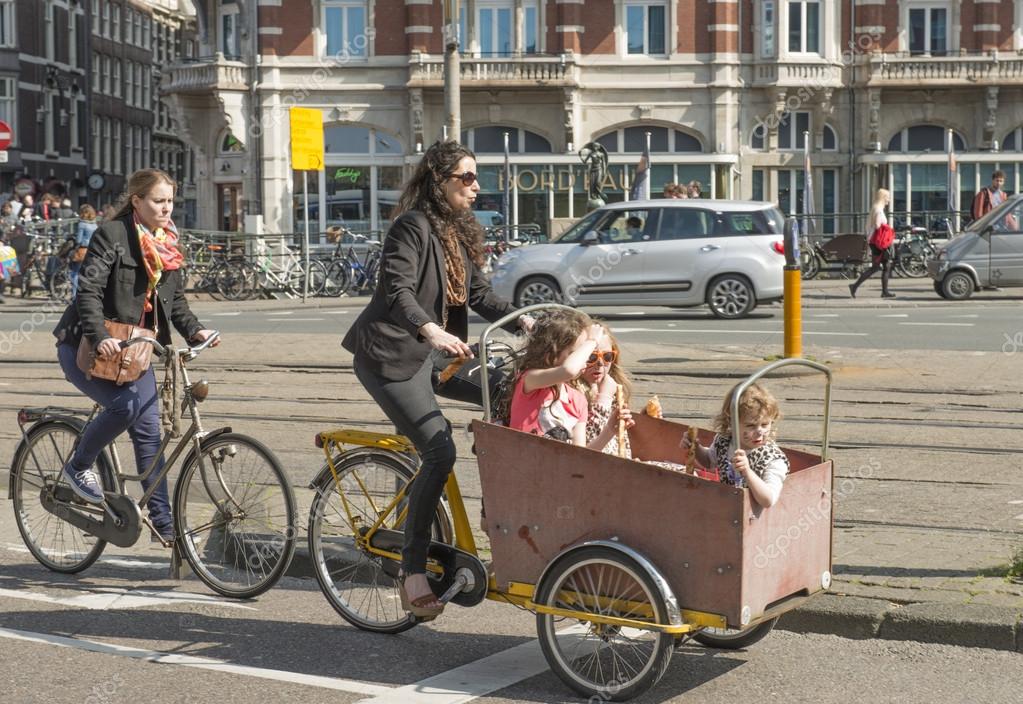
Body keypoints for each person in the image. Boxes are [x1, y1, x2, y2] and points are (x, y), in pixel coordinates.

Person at [342, 140, 532, 618]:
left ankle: (495, 521)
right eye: (466, 177)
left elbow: (480, 295)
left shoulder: (455, 232)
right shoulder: (411, 226)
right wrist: (431, 330)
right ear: (439, 181)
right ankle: (412, 570)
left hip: (439, 354)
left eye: (476, 176)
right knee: (439, 450)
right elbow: (397, 290)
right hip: (393, 357)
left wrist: (527, 320)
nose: (476, 185)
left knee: (509, 394)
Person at [52, 169, 219, 542]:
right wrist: (99, 337)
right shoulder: (112, 235)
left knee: (148, 435)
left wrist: (196, 330)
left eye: (170, 201)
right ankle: (78, 466)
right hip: (85, 348)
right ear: (137, 201)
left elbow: (174, 301)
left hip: (135, 353)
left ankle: (165, 527)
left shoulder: (167, 242)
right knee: (125, 408)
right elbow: (88, 291)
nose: (166, 208)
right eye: (158, 201)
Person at [508, 310, 611, 447]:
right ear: (550, 354)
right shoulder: (530, 380)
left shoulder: (578, 400)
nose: (584, 359)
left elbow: (579, 454)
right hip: (522, 458)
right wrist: (592, 341)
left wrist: (610, 430)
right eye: (577, 354)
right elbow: (568, 370)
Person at [682, 382, 789, 508]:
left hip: (754, 516)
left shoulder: (773, 459)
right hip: (727, 508)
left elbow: (768, 500)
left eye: (765, 424)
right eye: (751, 425)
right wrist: (695, 447)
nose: (760, 431)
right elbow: (709, 461)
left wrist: (747, 472)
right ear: (731, 423)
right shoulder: (725, 441)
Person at [577, 323, 635, 455]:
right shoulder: (573, 393)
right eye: (591, 357)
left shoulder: (612, 386)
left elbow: (618, 441)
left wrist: (645, 419)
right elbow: (586, 449)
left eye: (607, 356)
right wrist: (603, 399)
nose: (600, 363)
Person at [849, 188, 896, 299]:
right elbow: (878, 226)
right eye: (888, 197)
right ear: (883, 198)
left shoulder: (875, 208)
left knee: (885, 266)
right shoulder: (879, 211)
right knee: (878, 267)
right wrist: (888, 228)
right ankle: (855, 286)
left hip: (874, 242)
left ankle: (883, 291)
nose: (889, 200)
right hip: (879, 243)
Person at [69, 204, 99, 298]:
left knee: (75, 273)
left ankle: (74, 295)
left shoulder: (82, 224)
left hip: (82, 250)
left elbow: (78, 240)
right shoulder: (95, 225)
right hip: (91, 251)